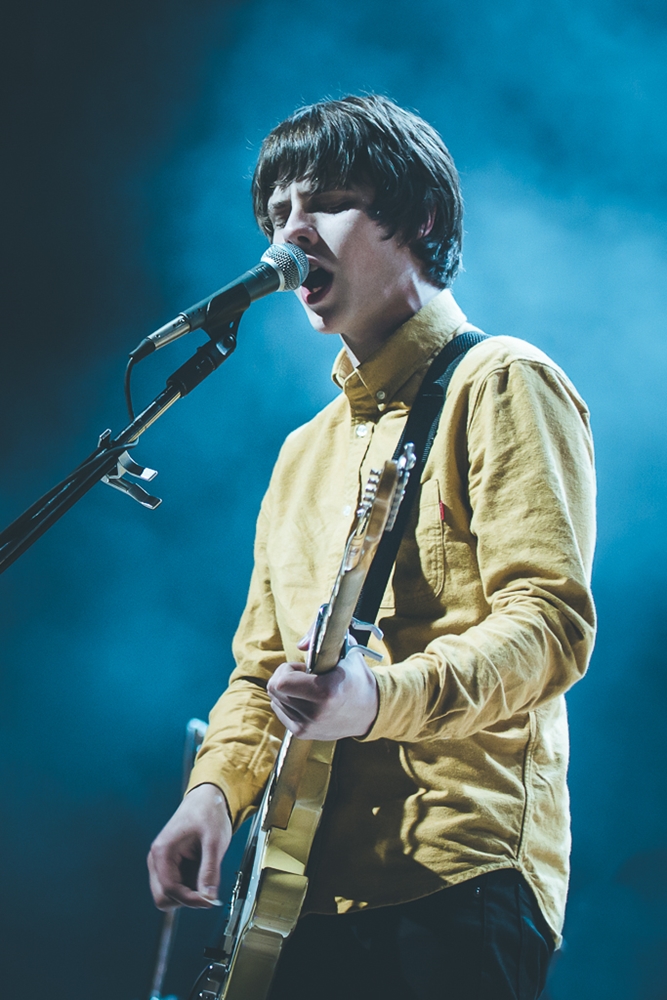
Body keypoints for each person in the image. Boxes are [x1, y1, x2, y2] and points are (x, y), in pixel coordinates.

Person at [148, 95, 596, 1000]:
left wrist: (378, 699)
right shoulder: (301, 454)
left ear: (419, 216)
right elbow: (259, 671)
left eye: (323, 202)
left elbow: (549, 625)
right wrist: (213, 796)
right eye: (276, 214)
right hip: (297, 895)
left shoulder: (501, 380)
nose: (290, 231)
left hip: (453, 875)